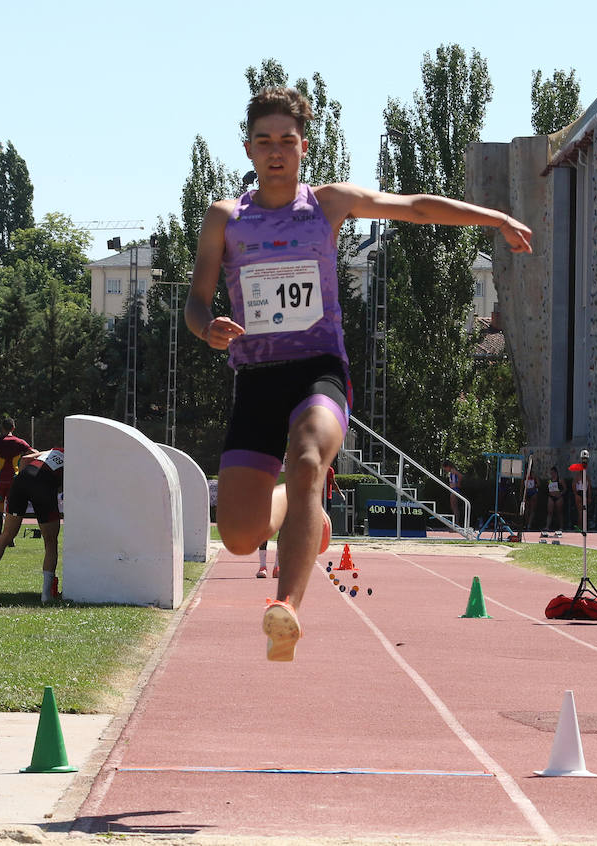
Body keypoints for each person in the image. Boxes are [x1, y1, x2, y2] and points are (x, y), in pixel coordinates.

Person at [185, 87, 532, 661]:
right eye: (265, 141)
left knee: (307, 460)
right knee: (240, 537)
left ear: (303, 146)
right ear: (248, 148)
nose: (276, 152)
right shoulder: (226, 217)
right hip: (255, 376)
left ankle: (286, 609)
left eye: (287, 142)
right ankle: (306, 512)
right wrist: (207, 328)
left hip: (319, 370)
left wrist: (492, 217)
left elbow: (416, 206)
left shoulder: (328, 203)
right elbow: (197, 302)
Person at [0, 448, 64, 603]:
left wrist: (27, 485)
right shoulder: (78, 459)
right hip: (44, 483)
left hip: (21, 480)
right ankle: (46, 596)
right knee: (50, 540)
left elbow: (25, 459)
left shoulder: (55, 450)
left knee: (6, 534)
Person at [0, 418, 34, 540]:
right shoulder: (19, 442)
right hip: (14, 481)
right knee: (12, 510)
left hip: (0, 480)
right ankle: (10, 539)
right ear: (13, 428)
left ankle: (0, 538)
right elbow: (34, 452)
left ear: (2, 428)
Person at [573, 464, 593, 530]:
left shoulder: (587, 478)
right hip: (580, 494)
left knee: (584, 512)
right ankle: (579, 527)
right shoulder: (577, 477)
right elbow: (574, 486)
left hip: (584, 494)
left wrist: (589, 497)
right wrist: (576, 494)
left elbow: (589, 488)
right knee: (580, 512)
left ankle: (582, 526)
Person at [443, 461, 464, 525]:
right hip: (453, 489)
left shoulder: (453, 470)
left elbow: (460, 476)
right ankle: (456, 522)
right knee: (453, 507)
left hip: (454, 489)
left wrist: (458, 484)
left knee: (454, 507)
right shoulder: (451, 472)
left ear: (448, 467)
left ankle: (457, 523)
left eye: (445, 468)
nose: (445, 470)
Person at [545, 466, 564, 532]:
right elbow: (548, 488)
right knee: (549, 512)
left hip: (558, 497)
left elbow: (565, 488)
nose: (552, 474)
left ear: (556, 473)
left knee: (559, 512)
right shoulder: (550, 480)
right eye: (551, 473)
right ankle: (547, 527)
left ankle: (561, 527)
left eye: (553, 473)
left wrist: (560, 493)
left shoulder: (560, 480)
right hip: (551, 497)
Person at [523, 465, 540, 531]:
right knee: (527, 509)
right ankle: (527, 524)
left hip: (533, 492)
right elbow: (522, 485)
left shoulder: (533, 475)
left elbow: (538, 484)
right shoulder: (524, 475)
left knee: (532, 510)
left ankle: (529, 524)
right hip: (527, 492)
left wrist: (534, 486)